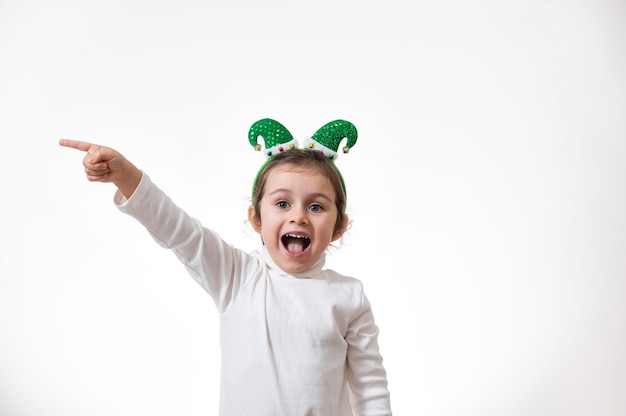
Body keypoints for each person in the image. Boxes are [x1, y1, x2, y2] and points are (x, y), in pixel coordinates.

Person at [59, 118, 392, 416]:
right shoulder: (237, 276)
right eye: (282, 203)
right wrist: (128, 177)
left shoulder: (348, 295)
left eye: (316, 206)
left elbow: (370, 385)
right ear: (257, 219)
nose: (298, 216)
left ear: (339, 226)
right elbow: (179, 230)